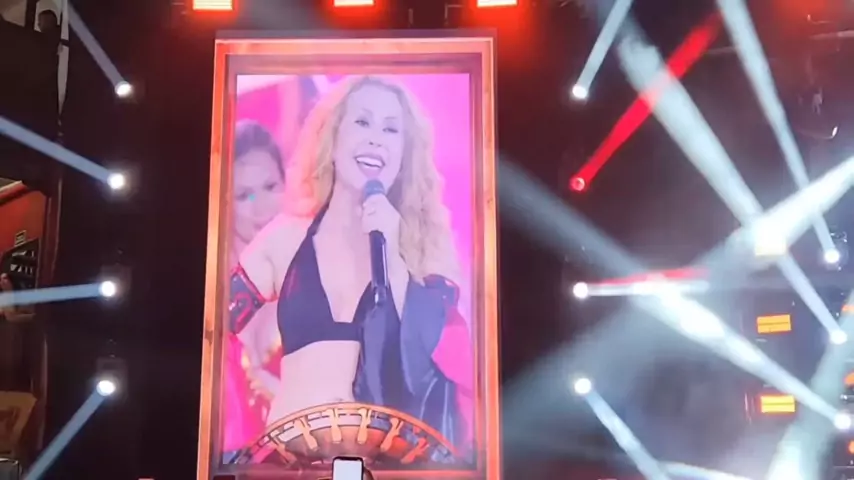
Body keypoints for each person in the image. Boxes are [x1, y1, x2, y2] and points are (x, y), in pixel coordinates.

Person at [230, 76, 474, 449]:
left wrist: (393, 259)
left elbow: (447, 366)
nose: (375, 138)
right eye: (362, 122)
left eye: (390, 129)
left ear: (404, 155)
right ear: (333, 138)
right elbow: (210, 332)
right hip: (293, 462)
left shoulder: (427, 254)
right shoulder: (284, 239)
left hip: (390, 463)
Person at [223, 121, 286, 455]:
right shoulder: (212, 295)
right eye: (244, 195)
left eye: (270, 186)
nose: (262, 208)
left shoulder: (315, 274)